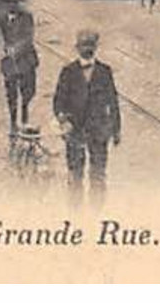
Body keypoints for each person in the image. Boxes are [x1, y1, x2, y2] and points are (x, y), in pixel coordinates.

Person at [52, 29, 121, 206]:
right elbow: (58, 100)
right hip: (75, 131)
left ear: (96, 48)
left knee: (98, 175)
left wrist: (116, 130)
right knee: (75, 175)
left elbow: (113, 101)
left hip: (98, 131)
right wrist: (62, 119)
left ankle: (96, 214)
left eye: (90, 45)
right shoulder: (68, 72)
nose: (87, 49)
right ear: (77, 48)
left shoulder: (105, 71)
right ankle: (75, 215)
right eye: (84, 45)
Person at [0, 0, 39, 132]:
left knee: (28, 91)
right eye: (8, 3)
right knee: (11, 92)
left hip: (26, 59)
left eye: (14, 3)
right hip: (10, 62)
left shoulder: (27, 17)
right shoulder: (1, 18)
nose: (11, 6)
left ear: (18, 4)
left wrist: (17, 49)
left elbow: (28, 37)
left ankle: (25, 115)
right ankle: (13, 121)